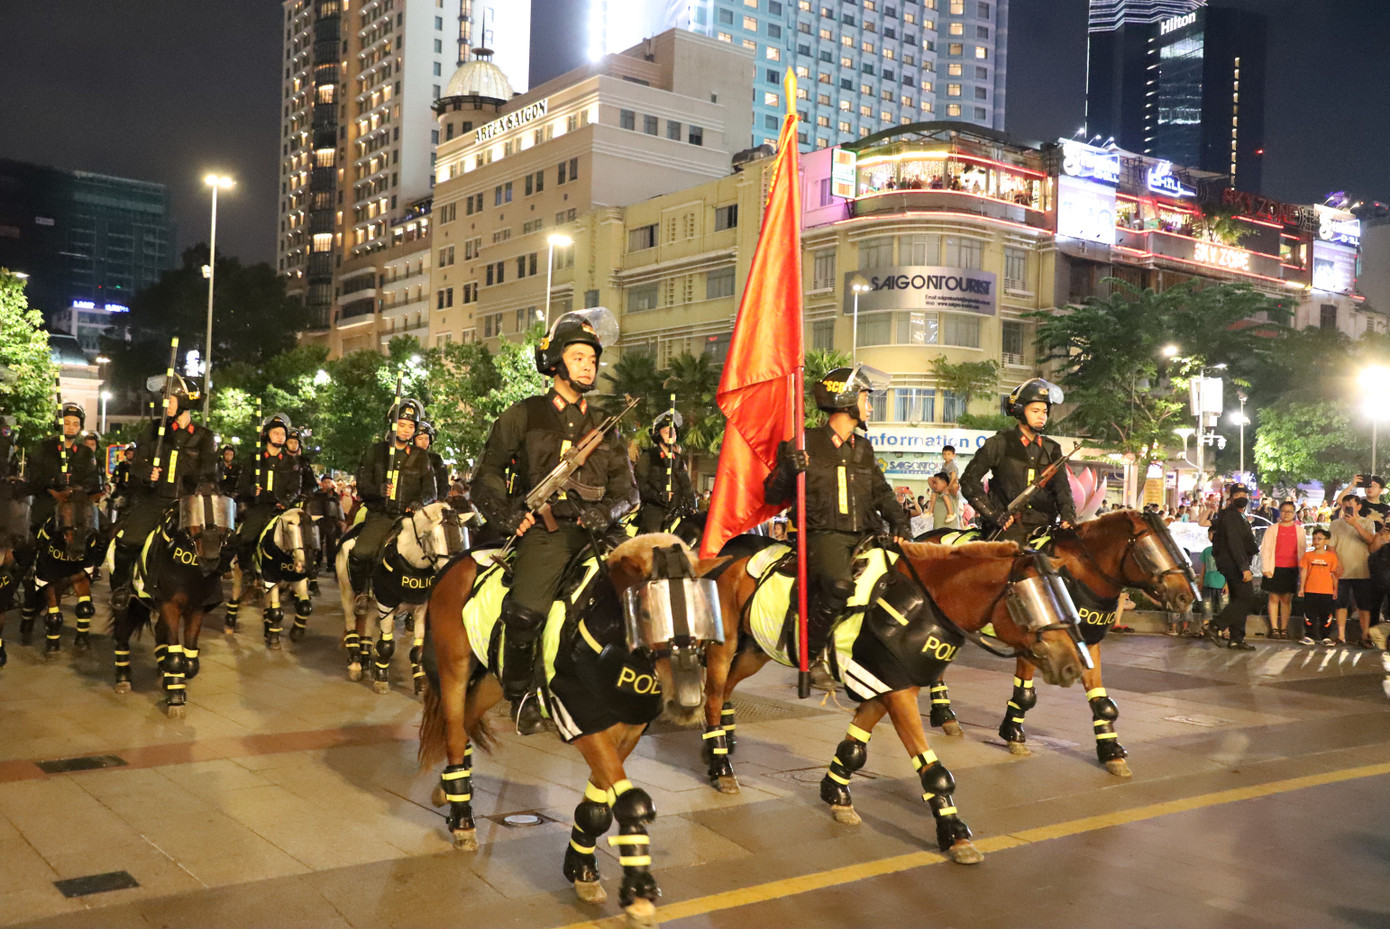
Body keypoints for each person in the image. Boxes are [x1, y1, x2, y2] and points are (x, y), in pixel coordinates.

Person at [471, 310, 637, 734]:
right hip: (549, 531)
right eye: (579, 356)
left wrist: (607, 513)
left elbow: (629, 492)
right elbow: (487, 474)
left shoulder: (605, 425)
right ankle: (521, 690)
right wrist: (508, 517)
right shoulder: (523, 414)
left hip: (603, 533)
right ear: (556, 363)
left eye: (592, 359)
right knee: (526, 612)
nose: (588, 365)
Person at [764, 364, 910, 665]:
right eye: (865, 398)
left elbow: (882, 492)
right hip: (823, 535)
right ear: (846, 400)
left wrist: (899, 520)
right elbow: (772, 495)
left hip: (868, 535)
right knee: (840, 585)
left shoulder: (864, 448)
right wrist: (788, 469)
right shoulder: (805, 443)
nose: (869, 406)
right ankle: (811, 654)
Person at [110, 374, 217, 609]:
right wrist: (148, 472)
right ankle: (121, 587)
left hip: (189, 504)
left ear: (184, 403)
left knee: (217, 543)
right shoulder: (153, 429)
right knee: (127, 542)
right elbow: (137, 462)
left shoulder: (204, 437)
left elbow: (210, 472)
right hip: (156, 499)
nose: (165, 403)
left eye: (170, 398)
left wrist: (198, 482)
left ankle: (212, 591)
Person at [960, 378, 1076, 544]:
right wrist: (993, 514)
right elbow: (969, 482)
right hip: (1006, 529)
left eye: (1044, 411)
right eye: (1035, 411)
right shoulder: (999, 443)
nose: (1042, 416)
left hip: (1045, 528)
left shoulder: (1052, 449)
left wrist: (1068, 515)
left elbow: (1062, 488)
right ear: (1020, 411)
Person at [348, 398, 437, 602]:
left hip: (409, 519)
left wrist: (419, 502)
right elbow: (361, 485)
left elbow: (431, 490)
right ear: (392, 424)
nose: (406, 430)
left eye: (411, 426)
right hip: (381, 516)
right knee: (361, 553)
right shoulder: (375, 451)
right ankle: (361, 592)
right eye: (402, 425)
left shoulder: (422, 456)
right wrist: (377, 491)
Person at [233, 413, 305, 576]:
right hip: (259, 507)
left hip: (282, 508)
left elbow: (296, 488)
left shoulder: (291, 461)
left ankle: (304, 572)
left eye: (283, 434)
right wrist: (251, 491)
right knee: (246, 538)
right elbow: (241, 486)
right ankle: (248, 569)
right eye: (276, 433)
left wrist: (287, 501)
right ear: (267, 434)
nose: (280, 437)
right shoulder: (254, 458)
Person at [1208, 483, 1259, 651]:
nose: (1241, 498)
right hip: (1234, 564)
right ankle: (1215, 626)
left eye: (1244, 495)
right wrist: (1244, 567)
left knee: (1239, 600)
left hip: (1234, 563)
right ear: (1231, 498)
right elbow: (1235, 543)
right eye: (1237, 495)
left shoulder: (1237, 516)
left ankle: (1237, 638)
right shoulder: (1231, 516)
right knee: (1247, 597)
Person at [635, 410, 694, 534]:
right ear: (658, 434)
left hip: (677, 509)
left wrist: (692, 504)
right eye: (666, 432)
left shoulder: (678, 459)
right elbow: (640, 484)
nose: (671, 435)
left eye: (673, 432)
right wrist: (659, 496)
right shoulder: (648, 456)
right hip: (654, 508)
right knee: (653, 540)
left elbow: (686, 485)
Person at [1330, 491, 1376, 647]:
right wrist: (1337, 562)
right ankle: (1341, 636)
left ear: (1359, 507)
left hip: (1361, 571)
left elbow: (1370, 540)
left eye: (1350, 506)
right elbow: (1331, 547)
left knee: (1364, 606)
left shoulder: (1367, 522)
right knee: (1341, 605)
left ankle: (1365, 636)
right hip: (1341, 572)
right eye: (1345, 506)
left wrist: (1355, 524)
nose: (1347, 509)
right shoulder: (1335, 524)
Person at [1259, 501, 1305, 639]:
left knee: (1286, 599)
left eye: (1290, 511)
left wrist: (1303, 571)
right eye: (1284, 511)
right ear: (1279, 512)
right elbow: (1265, 549)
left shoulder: (1300, 530)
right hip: (1274, 568)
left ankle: (1284, 628)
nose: (1286, 514)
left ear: (1294, 514)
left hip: (1291, 569)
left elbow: (1302, 552)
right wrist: (1266, 568)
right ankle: (1274, 628)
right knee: (1273, 597)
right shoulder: (1272, 529)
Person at [1298, 528, 1340, 646]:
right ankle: (1309, 635)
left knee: (1326, 615)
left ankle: (1326, 636)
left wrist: (1335, 589)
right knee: (1309, 614)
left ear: (1327, 541)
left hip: (1326, 591)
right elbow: (1304, 572)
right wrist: (1301, 588)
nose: (1316, 541)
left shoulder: (1331, 557)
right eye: (1314, 538)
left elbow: (1334, 574)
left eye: (1320, 539)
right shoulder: (1307, 556)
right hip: (1310, 590)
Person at [1198, 528, 1226, 638]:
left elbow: (1230, 569)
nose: (1211, 537)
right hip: (1208, 583)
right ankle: (1205, 628)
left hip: (1222, 582)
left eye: (1213, 534)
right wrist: (1201, 581)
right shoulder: (1207, 550)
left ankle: (1225, 630)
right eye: (1209, 534)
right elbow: (1203, 568)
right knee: (1206, 606)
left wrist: (1227, 583)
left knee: (1223, 606)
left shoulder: (1226, 551)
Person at [412, 421, 450, 500]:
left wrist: (439, 499)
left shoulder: (436, 460)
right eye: (420, 438)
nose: (424, 442)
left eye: (426, 438)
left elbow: (443, 483)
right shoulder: (406, 458)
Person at [284, 430, 318, 500]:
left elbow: (314, 485)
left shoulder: (304, 463)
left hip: (299, 501)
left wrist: (306, 493)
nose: (293, 445)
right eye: (291, 442)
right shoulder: (280, 460)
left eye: (296, 442)